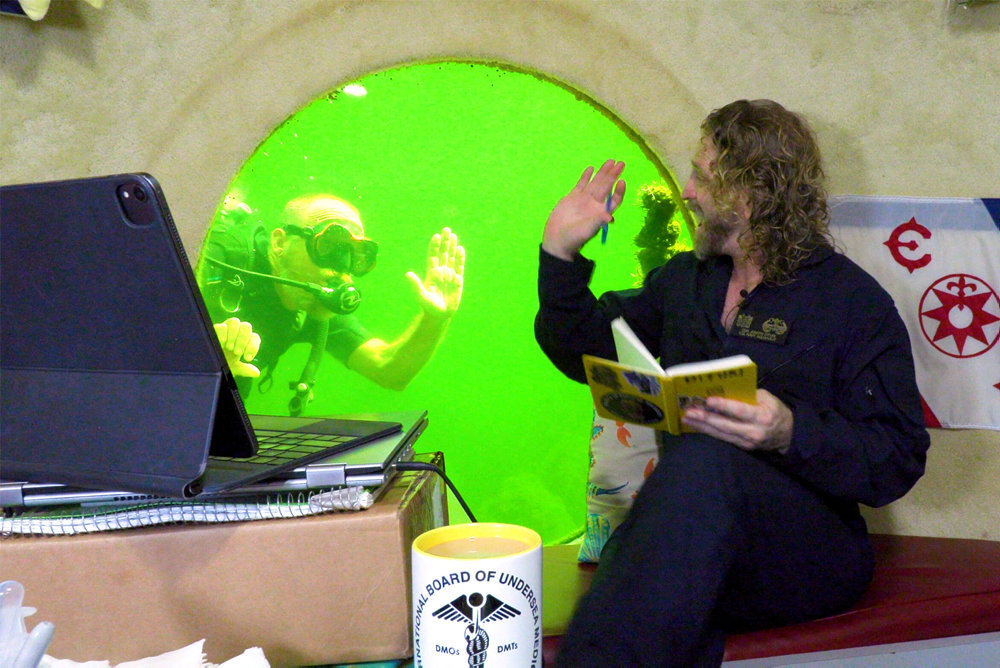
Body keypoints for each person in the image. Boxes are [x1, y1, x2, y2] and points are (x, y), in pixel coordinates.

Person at [535, 99, 930, 665]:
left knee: (701, 466)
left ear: (749, 196)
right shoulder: (682, 282)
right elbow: (585, 354)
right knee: (664, 563)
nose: (688, 190)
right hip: (694, 539)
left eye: (701, 174)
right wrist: (559, 254)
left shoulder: (852, 303)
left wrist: (791, 431)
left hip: (804, 552)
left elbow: (898, 457)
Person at [198, 193, 465, 414]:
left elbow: (389, 370)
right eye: (329, 247)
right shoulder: (217, 258)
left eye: (356, 256)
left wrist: (435, 318)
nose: (342, 270)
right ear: (279, 242)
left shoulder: (314, 306)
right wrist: (201, 354)